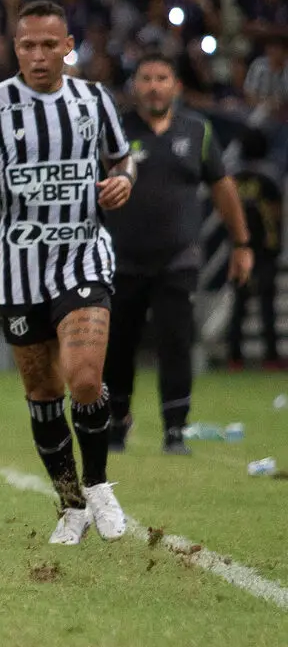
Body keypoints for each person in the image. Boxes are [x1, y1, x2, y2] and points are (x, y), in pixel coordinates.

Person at [0, 0, 136, 546]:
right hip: (19, 267)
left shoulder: (94, 99)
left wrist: (124, 180)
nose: (39, 55)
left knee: (85, 379)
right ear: (15, 49)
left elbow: (121, 158)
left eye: (50, 45)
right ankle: (71, 505)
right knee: (43, 392)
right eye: (28, 45)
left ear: (68, 46)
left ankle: (97, 485)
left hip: (84, 255)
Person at [102, 53, 253, 455]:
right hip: (122, 259)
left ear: (176, 86)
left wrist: (241, 244)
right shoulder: (115, 132)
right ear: (134, 86)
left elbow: (223, 187)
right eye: (146, 78)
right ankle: (116, 423)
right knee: (119, 346)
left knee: (176, 343)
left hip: (178, 260)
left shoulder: (197, 130)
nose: (154, 86)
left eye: (162, 78)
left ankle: (175, 430)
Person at [227, 129, 284, 371]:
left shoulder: (234, 179)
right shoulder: (269, 179)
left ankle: (234, 357)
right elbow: (277, 213)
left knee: (240, 304)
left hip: (240, 248)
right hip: (266, 250)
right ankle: (271, 357)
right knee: (266, 304)